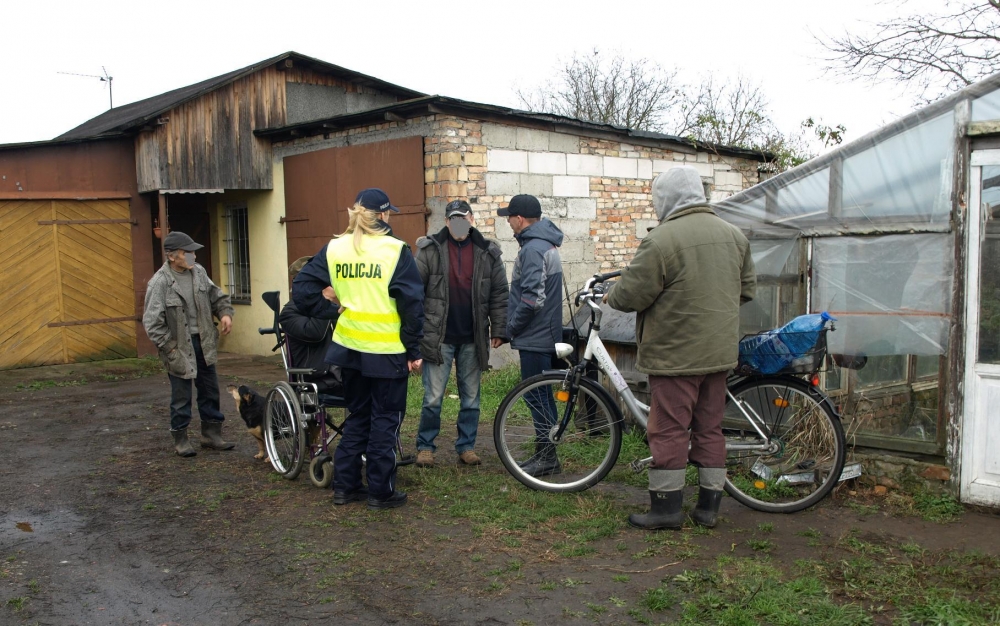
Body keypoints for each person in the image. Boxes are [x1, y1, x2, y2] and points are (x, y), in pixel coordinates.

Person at [606, 167, 756, 530]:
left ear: (666, 199)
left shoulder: (662, 240)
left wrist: (612, 293)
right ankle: (708, 510)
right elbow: (747, 289)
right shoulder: (734, 235)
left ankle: (666, 511)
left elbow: (629, 296)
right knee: (709, 429)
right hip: (718, 354)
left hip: (676, 355)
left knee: (669, 429)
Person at [293, 188, 424, 510]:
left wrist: (332, 311)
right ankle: (380, 492)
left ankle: (346, 486)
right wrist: (414, 349)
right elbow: (412, 306)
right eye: (389, 212)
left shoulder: (335, 248)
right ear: (382, 215)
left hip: (349, 349)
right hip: (386, 351)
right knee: (385, 419)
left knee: (358, 416)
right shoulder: (395, 250)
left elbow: (302, 290)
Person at [414, 200, 508, 467]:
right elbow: (414, 291)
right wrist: (416, 332)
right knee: (432, 398)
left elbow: (500, 293)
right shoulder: (429, 250)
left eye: (463, 218)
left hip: (472, 337)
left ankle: (466, 446)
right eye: (453, 219)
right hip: (438, 337)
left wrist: (499, 329)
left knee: (471, 399)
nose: (458, 223)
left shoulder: (488, 252)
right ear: (446, 222)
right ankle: (425, 447)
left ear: (472, 220)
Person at [142, 231, 236, 458]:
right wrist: (170, 348)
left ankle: (211, 434)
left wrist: (225, 314)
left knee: (210, 389)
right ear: (172, 256)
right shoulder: (160, 283)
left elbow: (217, 297)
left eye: (194, 251)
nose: (194, 256)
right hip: (178, 347)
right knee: (181, 395)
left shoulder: (199, 273)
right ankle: (181, 439)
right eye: (189, 252)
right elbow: (152, 322)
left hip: (204, 341)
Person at [498, 194, 565, 477]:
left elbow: (532, 300)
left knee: (537, 396)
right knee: (542, 396)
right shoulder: (542, 244)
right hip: (543, 334)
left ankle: (547, 456)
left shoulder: (533, 249)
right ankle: (544, 452)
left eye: (509, 217)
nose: (509, 222)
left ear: (520, 219)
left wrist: (509, 329)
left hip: (536, 337)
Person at [279, 256, 343, 398]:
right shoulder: (289, 313)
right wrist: (324, 300)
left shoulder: (333, 309)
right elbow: (314, 333)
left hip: (341, 374)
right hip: (315, 377)